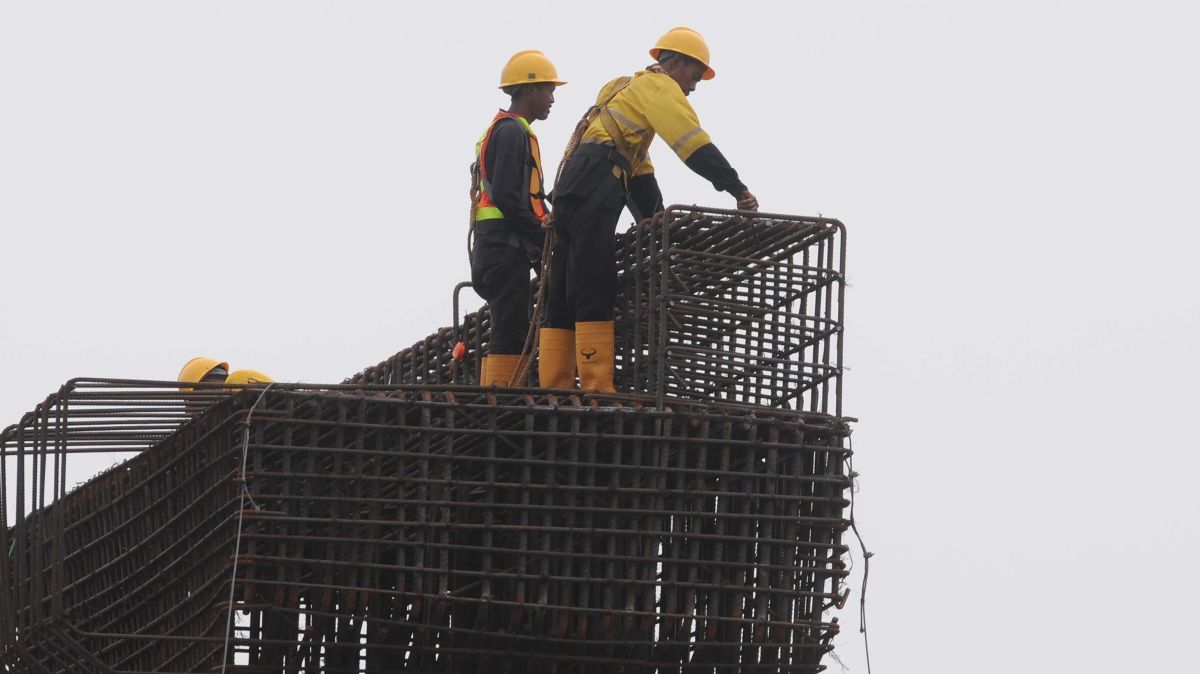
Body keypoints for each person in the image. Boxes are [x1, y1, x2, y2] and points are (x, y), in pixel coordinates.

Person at [541, 27, 759, 393]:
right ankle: (595, 387)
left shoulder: (622, 87)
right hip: (599, 181)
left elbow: (638, 169)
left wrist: (655, 222)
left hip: (572, 186)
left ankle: (553, 387)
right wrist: (736, 187)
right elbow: (693, 144)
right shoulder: (660, 88)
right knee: (594, 280)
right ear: (675, 63)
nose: (693, 86)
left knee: (563, 285)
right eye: (693, 75)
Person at [470, 50, 565, 388]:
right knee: (509, 331)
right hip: (503, 248)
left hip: (494, 247)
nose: (552, 98)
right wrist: (542, 236)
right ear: (528, 90)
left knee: (512, 326)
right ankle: (500, 405)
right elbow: (510, 198)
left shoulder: (503, 130)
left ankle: (500, 400)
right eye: (548, 89)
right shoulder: (511, 132)